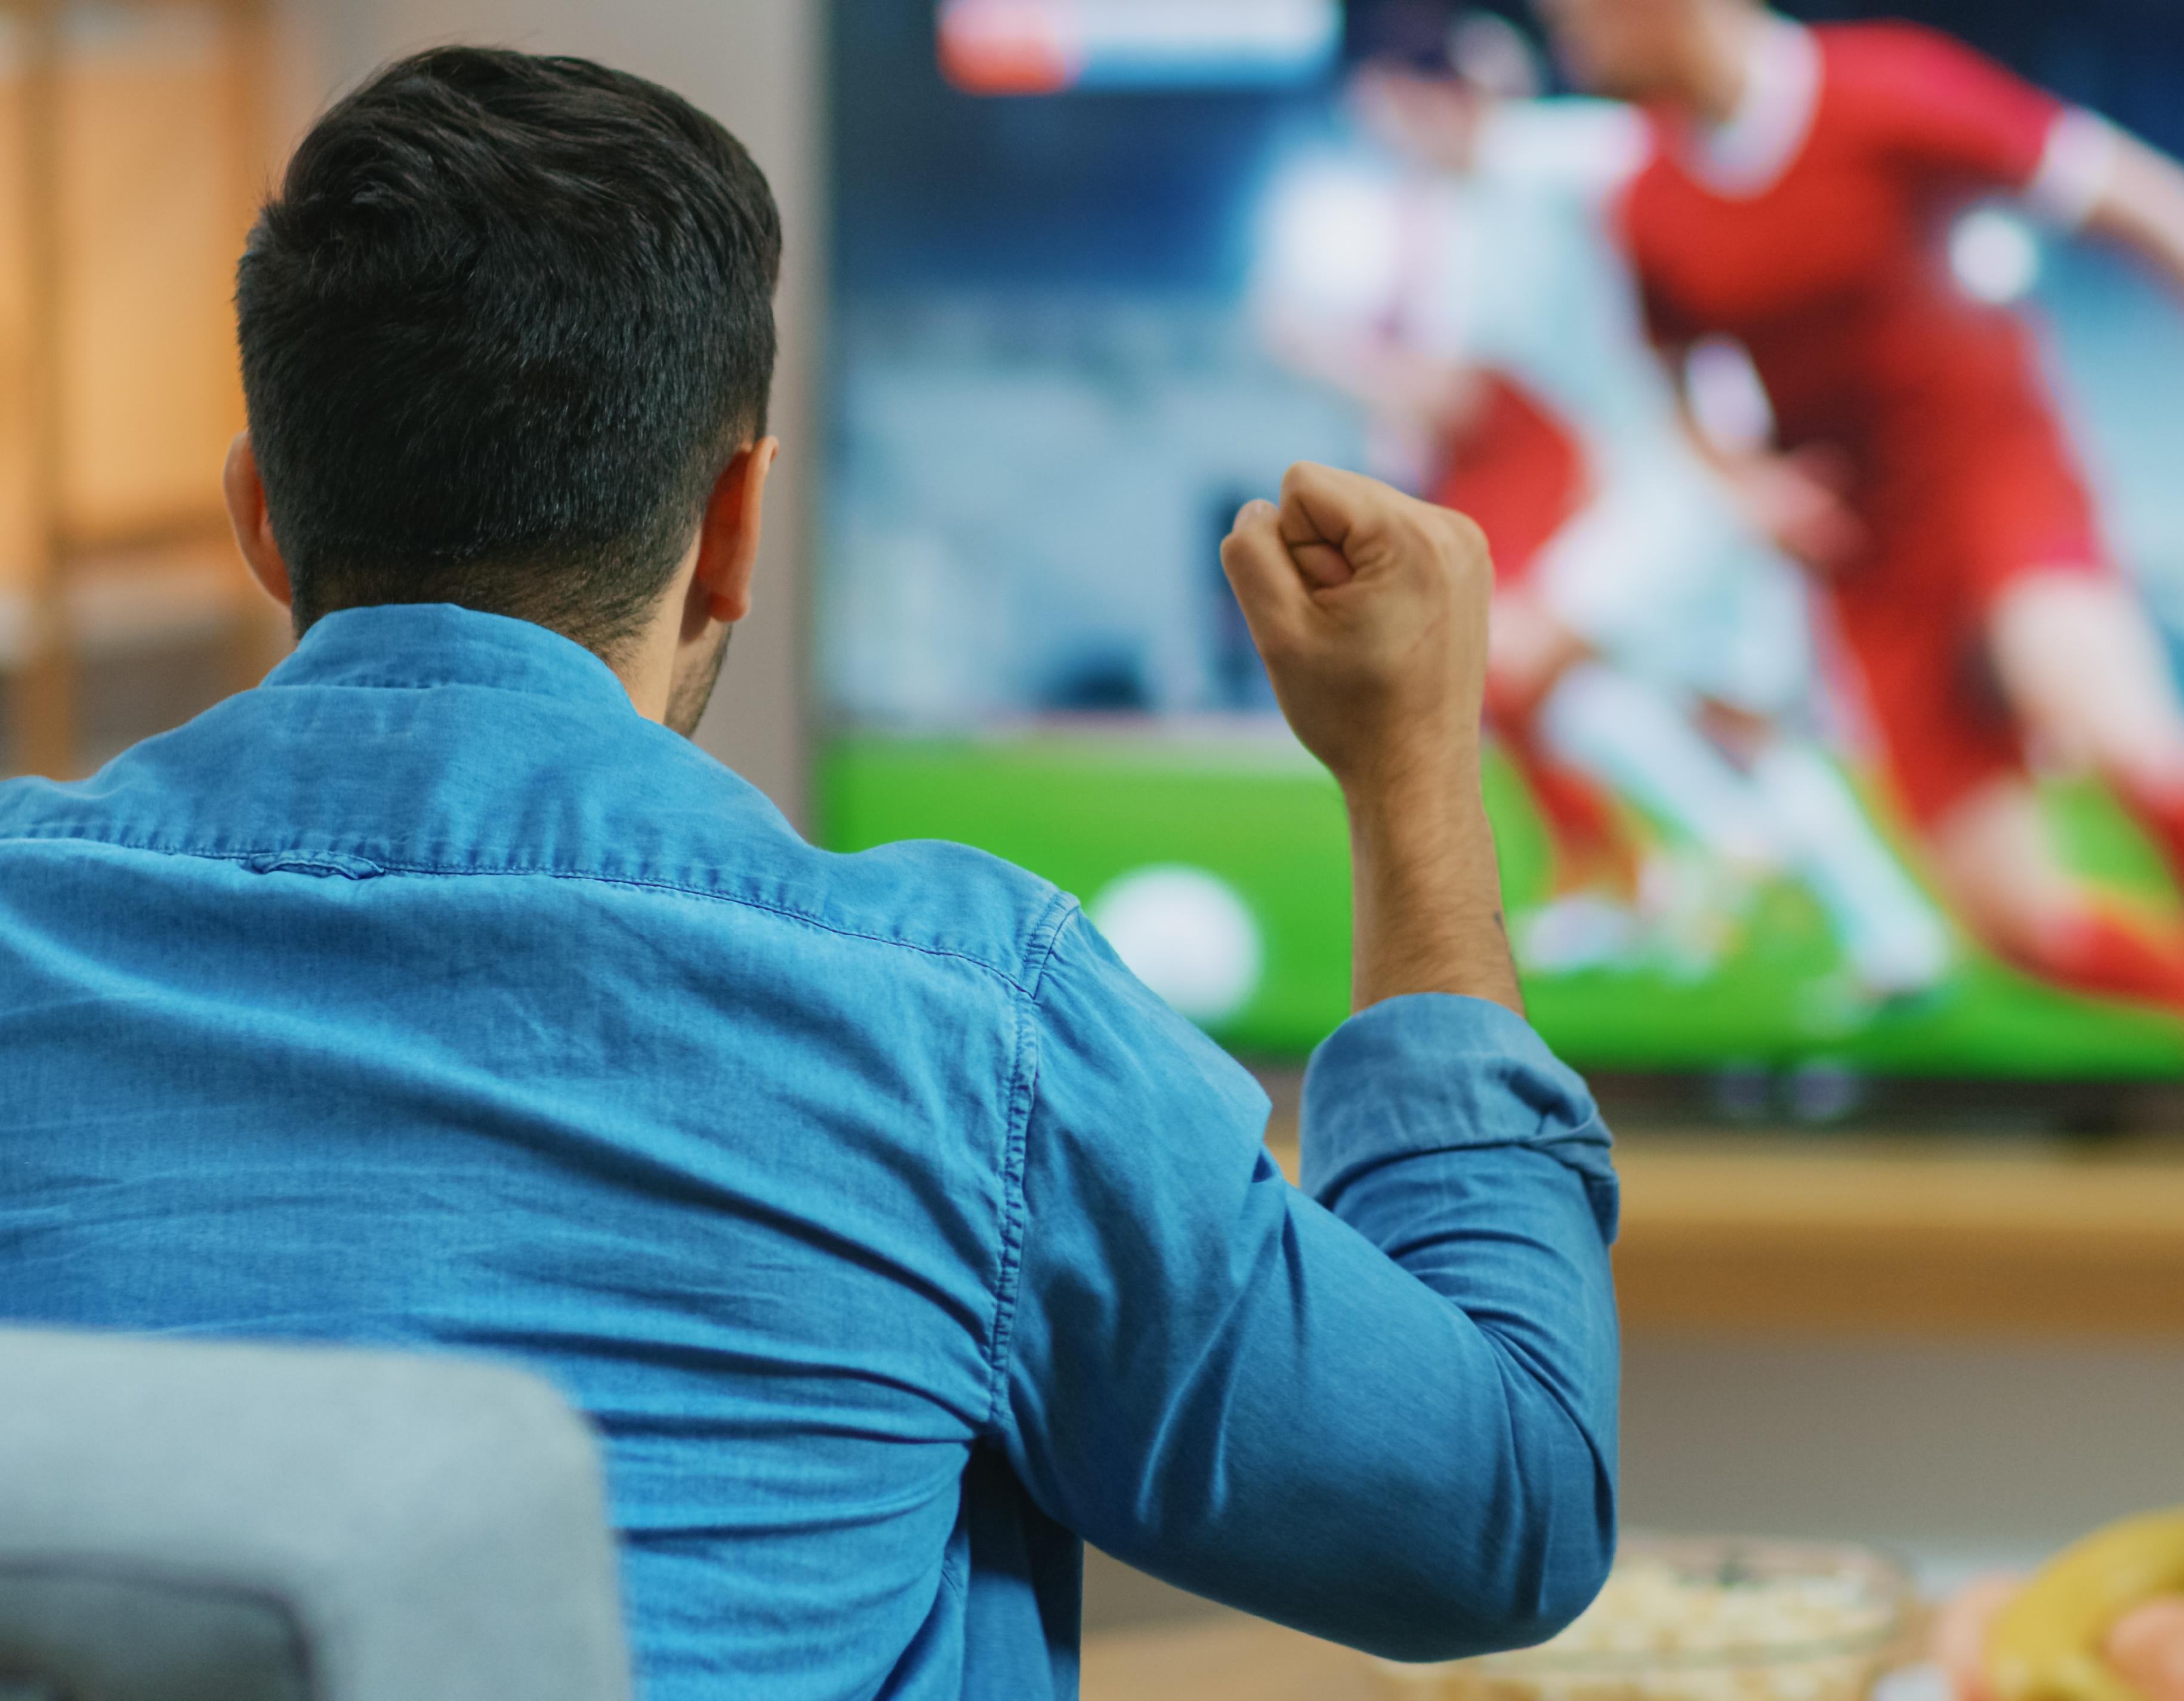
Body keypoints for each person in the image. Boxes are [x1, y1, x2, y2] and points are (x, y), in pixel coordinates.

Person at [0, 48, 1620, 1700]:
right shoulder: (962, 1033)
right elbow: (1503, 1513)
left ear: (261, 518)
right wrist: (1414, 767)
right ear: (733, 529)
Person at [1533, 0, 2184, 1079]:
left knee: (2090, 698)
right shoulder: (1647, 197)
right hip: (1867, 556)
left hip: (1991, 474)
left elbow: (2145, 200)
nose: (1562, 40)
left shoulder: (1884, 92)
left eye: (1573, 14)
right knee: (2017, 925)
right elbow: (1668, 376)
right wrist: (1744, 484)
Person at [1266, 4, 1952, 1003]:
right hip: (1651, 480)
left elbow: (1700, 176)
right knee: (1727, 718)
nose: (1387, 140)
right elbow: (1457, 391)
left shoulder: (1560, 154)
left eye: (1392, 114)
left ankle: (1724, 846)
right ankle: (1895, 939)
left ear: (1436, 97)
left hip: (1700, 473)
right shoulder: (1466, 231)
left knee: (1517, 664)